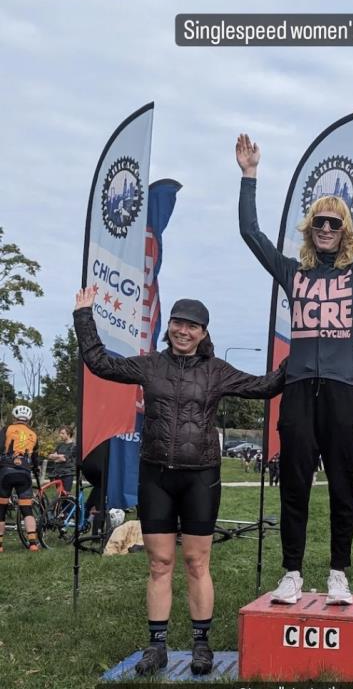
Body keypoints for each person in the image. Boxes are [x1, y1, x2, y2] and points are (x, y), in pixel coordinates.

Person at [73, 288, 285, 676]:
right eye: (177, 323)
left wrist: (300, 357)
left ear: (203, 333)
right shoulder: (150, 365)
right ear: (168, 326)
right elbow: (100, 363)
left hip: (201, 476)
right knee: (159, 563)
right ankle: (157, 647)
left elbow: (265, 386)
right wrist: (84, 317)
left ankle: (201, 644)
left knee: (196, 561)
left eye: (192, 326)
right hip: (155, 475)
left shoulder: (217, 371)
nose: (182, 331)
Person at [237, 122, 353, 605]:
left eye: (336, 224)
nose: (327, 229)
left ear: (344, 233)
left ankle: (339, 573)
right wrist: (249, 175)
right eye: (320, 223)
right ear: (310, 230)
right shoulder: (292, 272)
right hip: (301, 389)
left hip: (344, 390)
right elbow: (250, 232)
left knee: (344, 485)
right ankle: (291, 572)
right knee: (296, 484)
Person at [0, 405, 40, 552]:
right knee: (27, 509)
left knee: (1, 509)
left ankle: (0, 545)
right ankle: (33, 543)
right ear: (29, 419)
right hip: (24, 473)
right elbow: (35, 458)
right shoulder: (33, 434)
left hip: (6, 471)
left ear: (14, 418)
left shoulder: (7, 429)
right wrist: (35, 470)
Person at [46, 425, 76, 493]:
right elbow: (50, 456)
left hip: (67, 474)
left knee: (65, 495)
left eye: (62, 433)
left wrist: (56, 457)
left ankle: (70, 503)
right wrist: (59, 457)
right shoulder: (60, 445)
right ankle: (59, 504)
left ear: (68, 434)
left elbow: (64, 459)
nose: (60, 435)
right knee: (59, 495)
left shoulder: (73, 446)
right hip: (57, 473)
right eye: (60, 433)